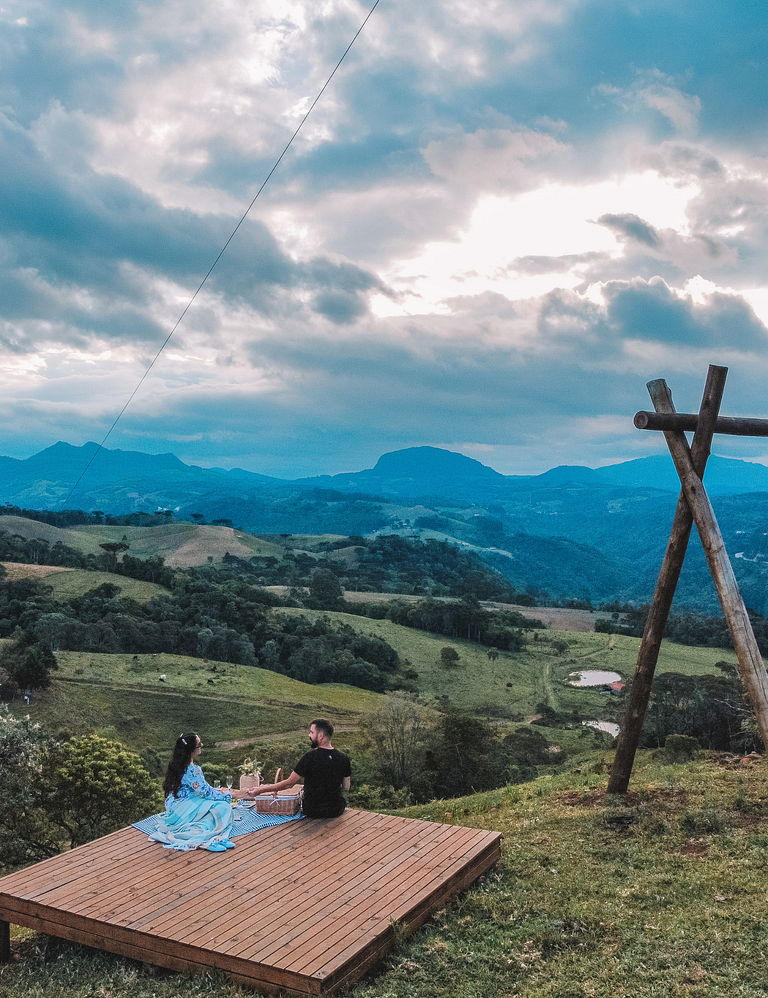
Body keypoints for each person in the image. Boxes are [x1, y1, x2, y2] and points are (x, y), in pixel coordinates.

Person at [149, 732, 248, 852]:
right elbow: (207, 792)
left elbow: (202, 789)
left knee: (210, 808)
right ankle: (208, 839)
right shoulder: (193, 770)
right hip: (185, 807)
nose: (201, 746)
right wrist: (233, 795)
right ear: (192, 750)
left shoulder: (177, 765)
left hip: (175, 806)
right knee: (223, 807)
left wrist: (219, 791)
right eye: (199, 745)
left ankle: (211, 838)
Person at [251, 719, 351, 818]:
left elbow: (289, 784)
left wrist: (260, 790)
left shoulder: (310, 757)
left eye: (312, 732)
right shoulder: (344, 758)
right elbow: (346, 786)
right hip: (336, 809)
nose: (309, 735)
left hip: (313, 810)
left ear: (320, 735)